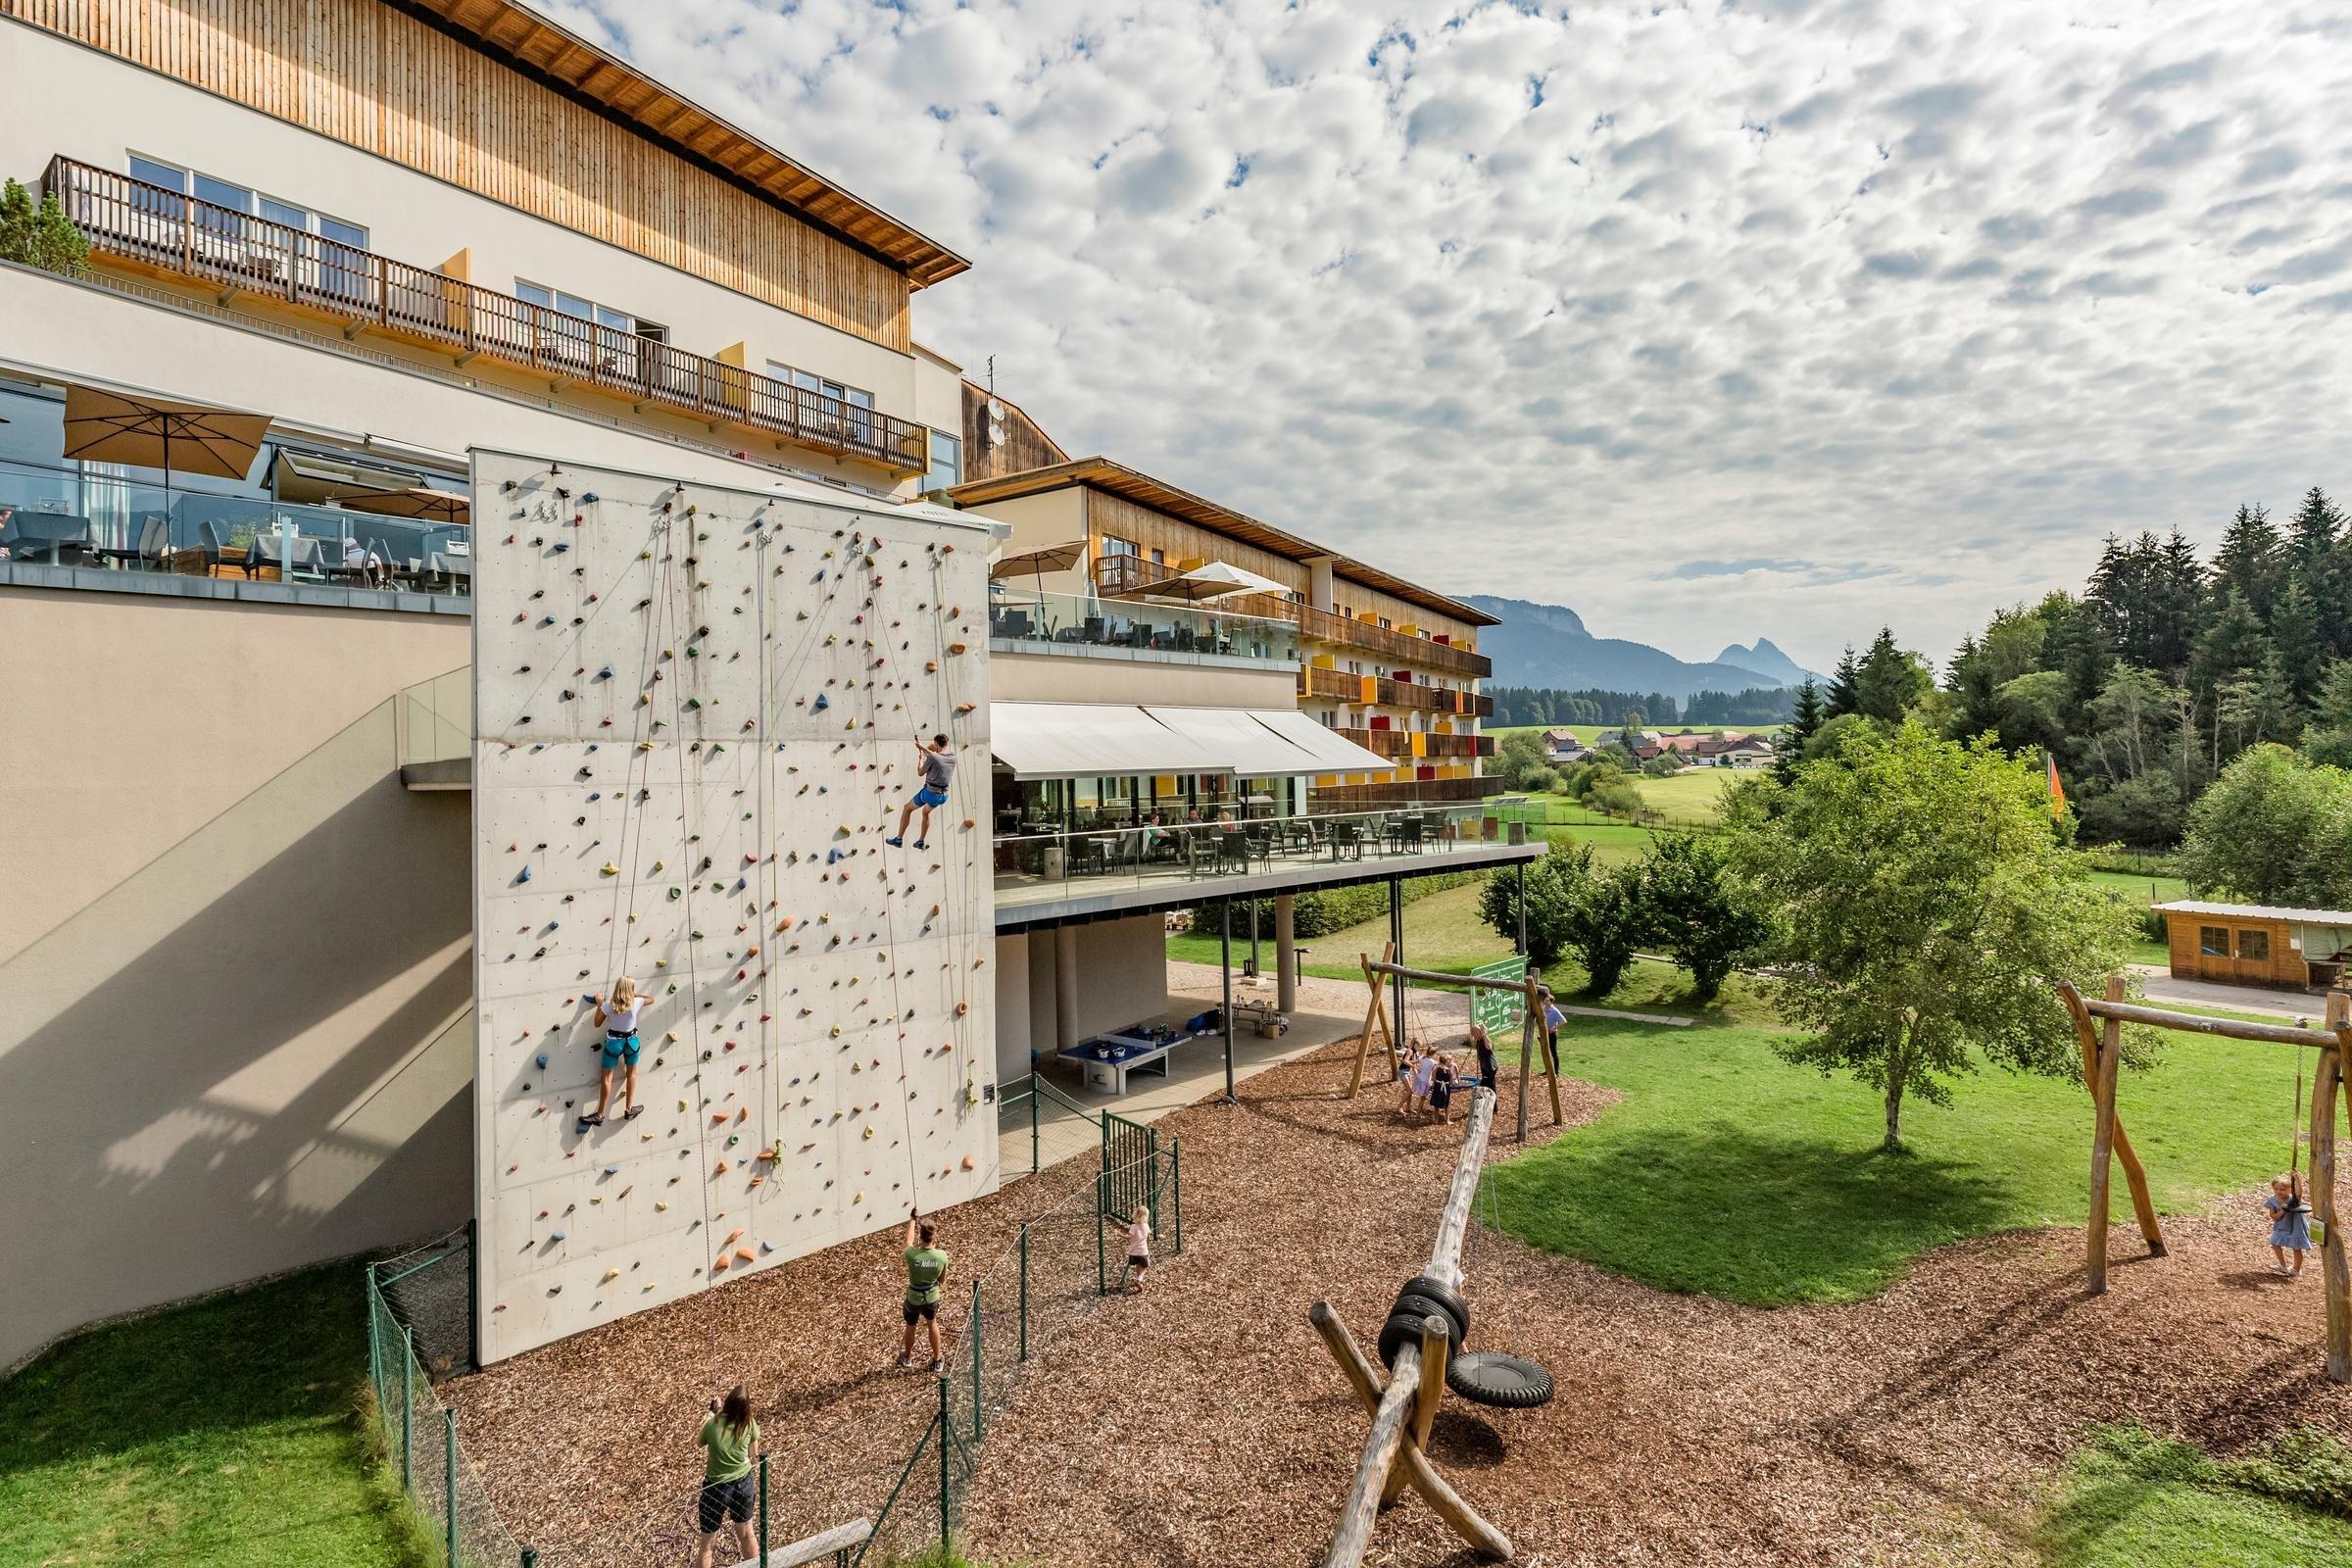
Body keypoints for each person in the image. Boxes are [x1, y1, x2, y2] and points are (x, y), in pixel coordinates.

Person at [693, 1386, 760, 1568]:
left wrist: (710, 1413)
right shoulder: (749, 1423)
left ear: (727, 1403)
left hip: (715, 1488)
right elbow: (754, 1453)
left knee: (708, 1544)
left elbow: (699, 1442)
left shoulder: (713, 1425)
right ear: (746, 1408)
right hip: (743, 1484)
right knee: (747, 1534)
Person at [577, 977, 646, 1130]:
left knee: (607, 1079)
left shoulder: (609, 1006)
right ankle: (629, 1109)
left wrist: (600, 1004)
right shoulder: (636, 1003)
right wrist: (635, 995)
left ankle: (600, 1114)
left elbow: (597, 1024)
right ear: (630, 990)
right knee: (632, 1074)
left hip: (614, 1043)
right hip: (632, 1042)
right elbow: (651, 999)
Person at [897, 1210, 950, 1373]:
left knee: (910, 1325)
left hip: (914, 1299)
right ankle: (937, 1359)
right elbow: (941, 1280)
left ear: (921, 1236)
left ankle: (907, 1357)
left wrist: (912, 1219)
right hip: (931, 1298)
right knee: (932, 1323)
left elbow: (908, 1241)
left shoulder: (912, 1255)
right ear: (934, 1236)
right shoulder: (941, 1256)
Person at [887, 734, 956, 850]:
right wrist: (922, 748)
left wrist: (921, 760)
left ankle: (898, 839)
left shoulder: (933, 758)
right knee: (925, 813)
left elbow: (920, 772)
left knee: (907, 808)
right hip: (943, 796)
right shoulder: (953, 757)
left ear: (937, 744)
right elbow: (936, 756)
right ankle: (920, 841)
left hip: (930, 794)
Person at [2267, 1175, 2313, 1279]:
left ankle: (2296, 1269)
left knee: (2296, 1247)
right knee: (2274, 1243)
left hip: (2296, 1226)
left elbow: (2299, 1193)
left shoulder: (2293, 1200)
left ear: (2289, 1190)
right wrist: (2282, 1211)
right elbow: (2273, 1216)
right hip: (2281, 1226)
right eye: (2276, 1189)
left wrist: (2297, 1179)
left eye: (2282, 1189)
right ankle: (2283, 1266)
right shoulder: (2271, 1200)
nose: (2279, 1191)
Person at [1121, 1207, 1154, 1292]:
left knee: (1138, 1265)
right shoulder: (1146, 1226)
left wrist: (1120, 1234)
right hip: (1143, 1252)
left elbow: (1129, 1237)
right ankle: (1140, 1279)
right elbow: (1149, 1233)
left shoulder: (1133, 1227)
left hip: (1133, 1252)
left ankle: (1139, 1279)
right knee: (1144, 1267)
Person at [1470, 1024, 1500, 1093]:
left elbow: (1489, 1047)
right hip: (1484, 1066)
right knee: (1484, 1083)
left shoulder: (1485, 1039)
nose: (1473, 1037)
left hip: (1490, 1066)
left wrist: (1484, 1034)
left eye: (1474, 1034)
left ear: (1478, 1032)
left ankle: (1493, 1102)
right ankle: (1487, 1099)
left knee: (1490, 1085)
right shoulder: (1479, 1040)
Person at [1429, 1053, 1457, 1123]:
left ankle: (1436, 1119)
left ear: (1439, 1061)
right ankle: (1447, 1120)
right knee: (1446, 1103)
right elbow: (1451, 1081)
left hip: (1438, 1087)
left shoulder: (1437, 1068)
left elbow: (1433, 1078)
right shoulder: (1448, 1070)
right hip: (1446, 1088)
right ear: (1446, 1061)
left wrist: (1434, 1083)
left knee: (1436, 1104)